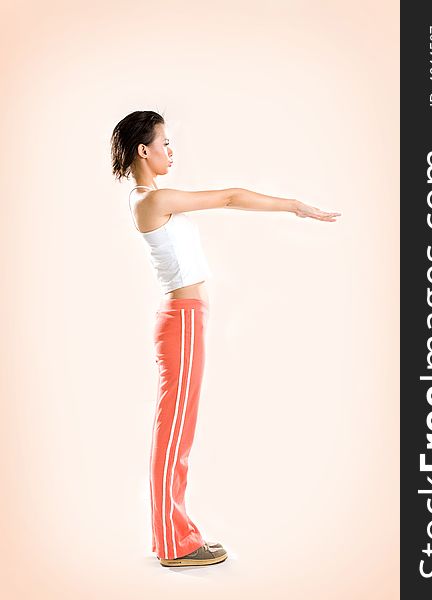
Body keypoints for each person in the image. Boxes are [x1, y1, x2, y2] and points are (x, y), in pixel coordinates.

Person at [110, 110, 341, 567]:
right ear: (144, 150)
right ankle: (175, 543)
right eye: (165, 143)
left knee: (176, 433)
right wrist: (295, 205)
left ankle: (172, 537)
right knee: (174, 436)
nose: (170, 151)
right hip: (183, 322)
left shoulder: (153, 198)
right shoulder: (150, 200)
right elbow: (232, 197)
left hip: (184, 322)